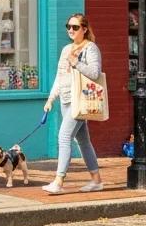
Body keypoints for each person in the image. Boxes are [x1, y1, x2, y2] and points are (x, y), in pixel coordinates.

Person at [42, 13, 104, 194]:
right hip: (66, 100)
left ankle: (58, 181)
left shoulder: (91, 48)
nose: (71, 30)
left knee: (63, 137)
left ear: (84, 29)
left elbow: (95, 73)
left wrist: (76, 62)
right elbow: (60, 77)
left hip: (81, 99)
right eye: (68, 26)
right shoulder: (66, 49)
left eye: (75, 27)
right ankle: (96, 181)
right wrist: (51, 98)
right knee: (83, 141)